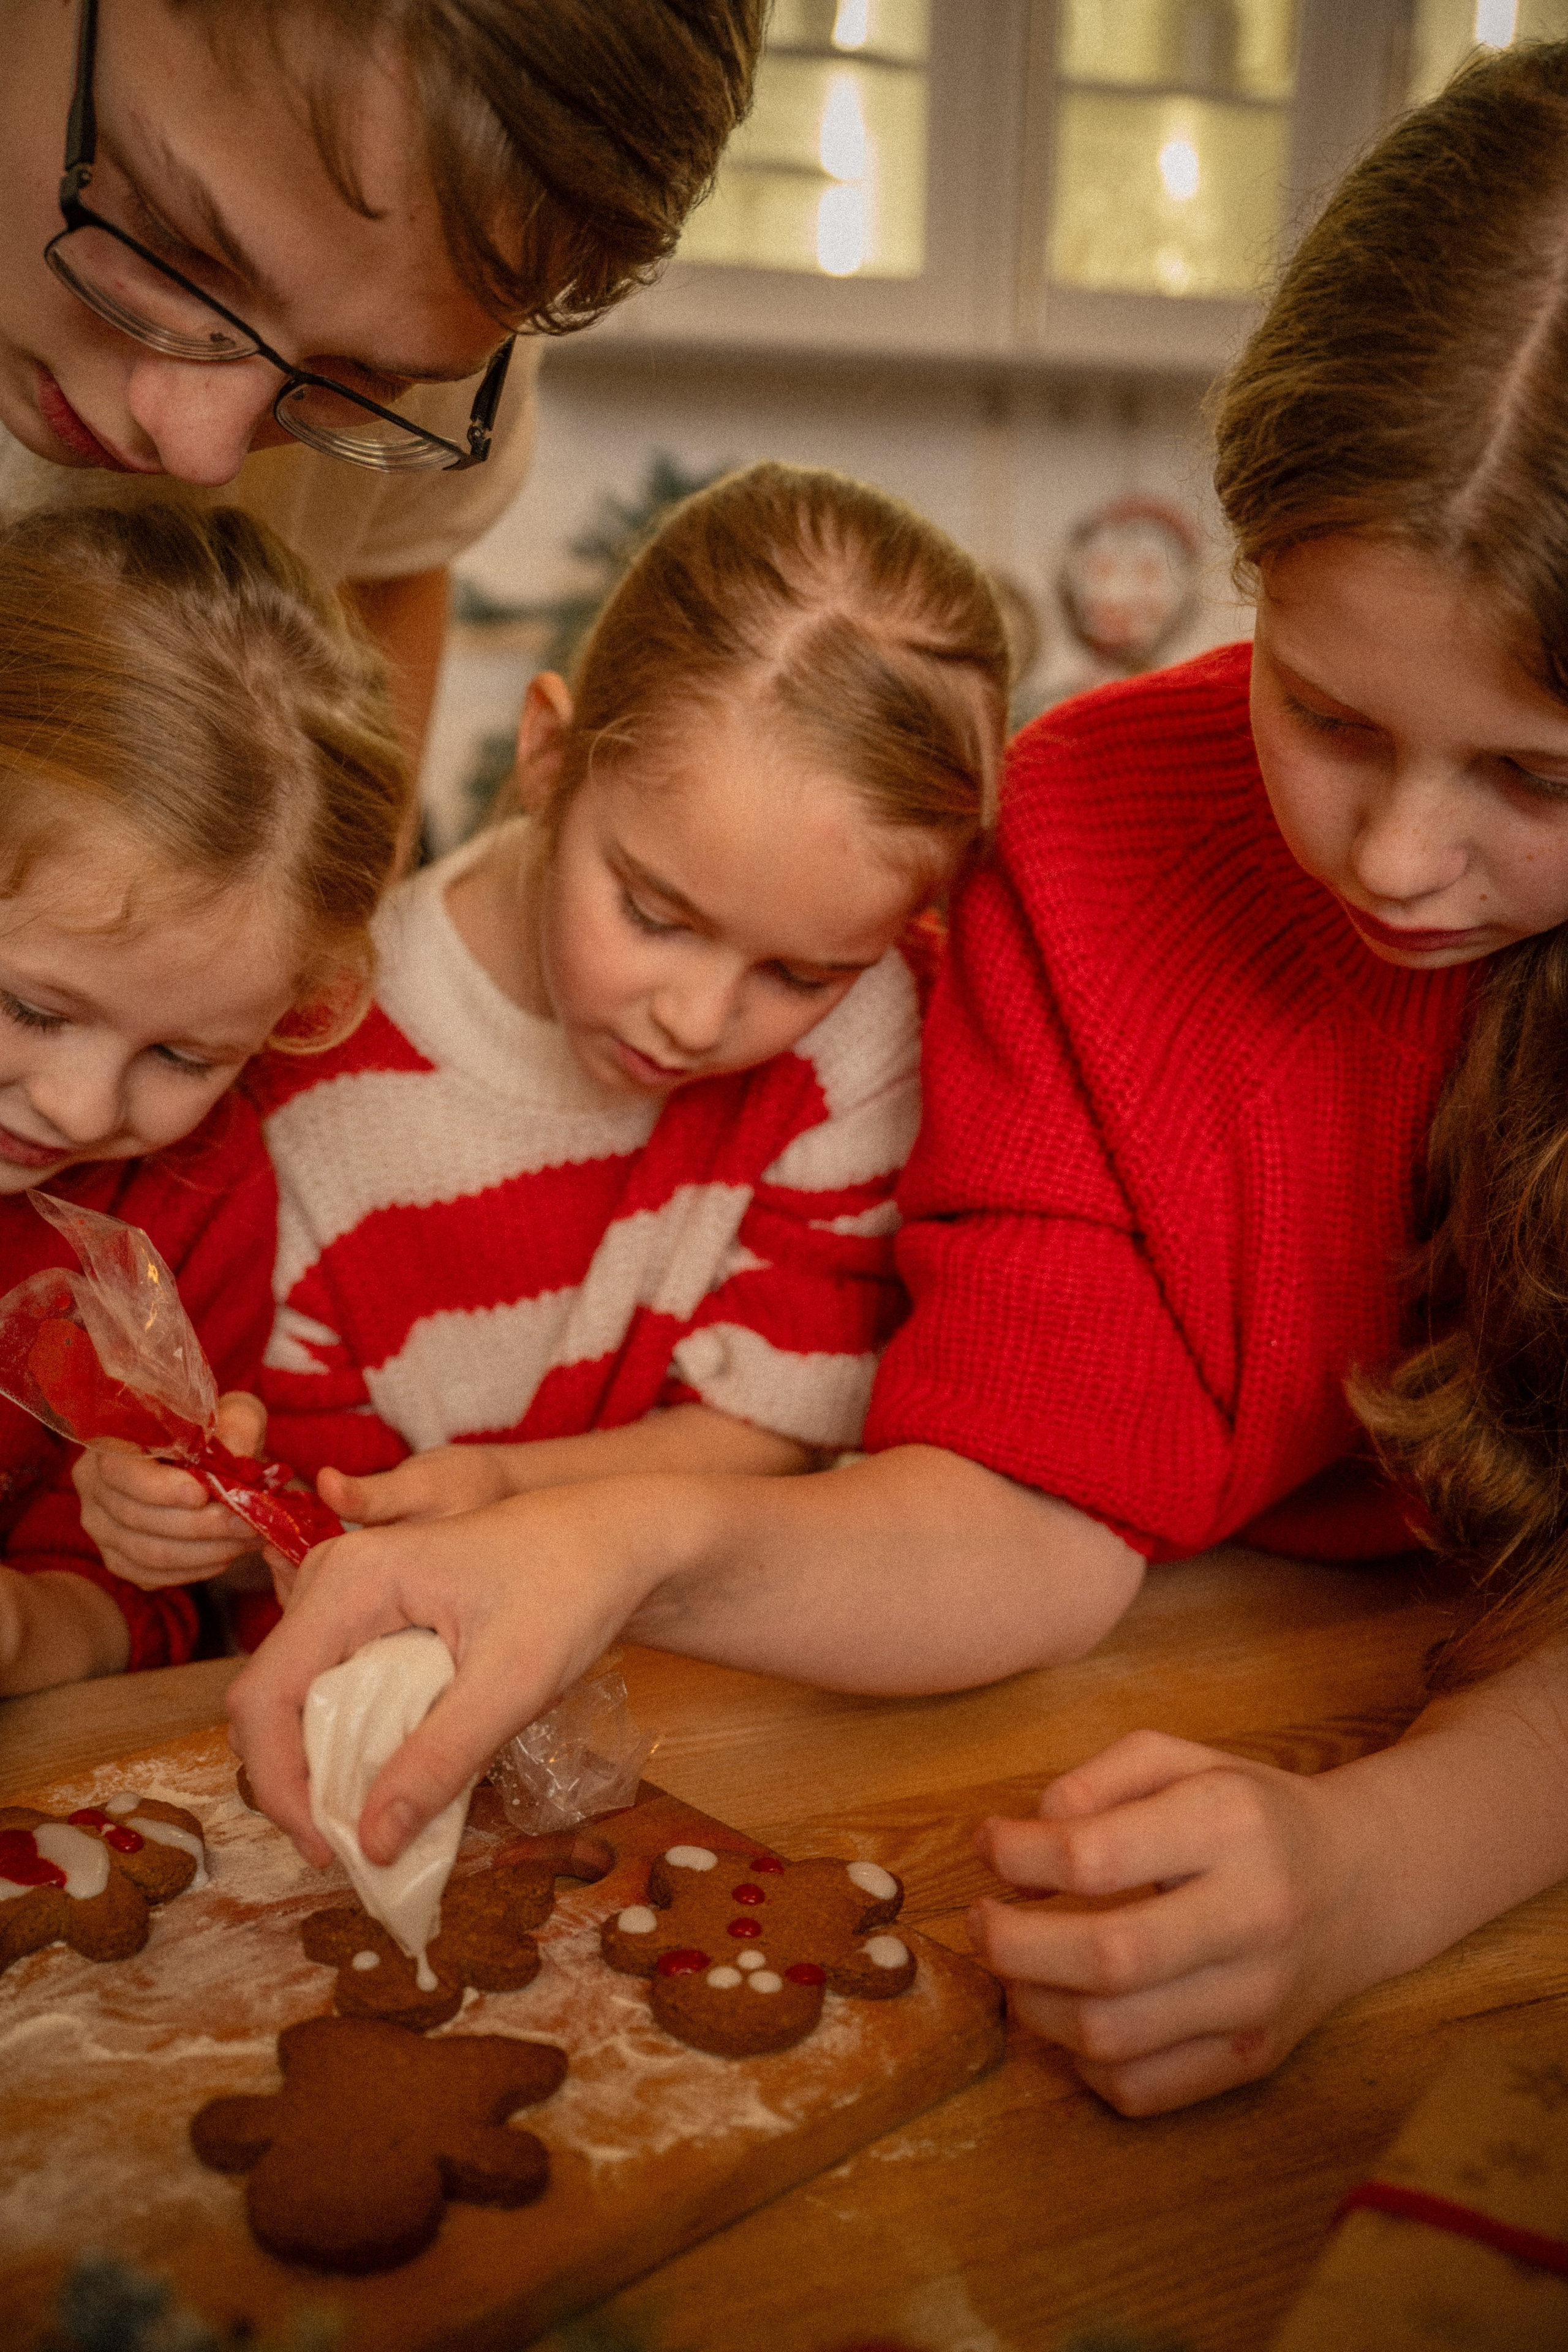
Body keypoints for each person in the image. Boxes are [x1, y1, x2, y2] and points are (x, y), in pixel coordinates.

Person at [219, 40, 1568, 2115]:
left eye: (1532, 779)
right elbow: (1034, 1517)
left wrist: (1381, 1864)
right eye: (1325, 713)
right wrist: (633, 1545)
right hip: (1236, 1675)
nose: (1397, 858)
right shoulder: (1093, 836)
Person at [79, 462, 1009, 1655]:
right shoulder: (314, 1070)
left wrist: (512, 1493)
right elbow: (307, 1536)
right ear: (549, 756)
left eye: (797, 973)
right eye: (656, 915)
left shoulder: (865, 1032)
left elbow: (772, 1415)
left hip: (705, 1655)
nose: (694, 1017)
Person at [1, 0, 762, 768]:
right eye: (173, 241)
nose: (202, 450)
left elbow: (387, 572)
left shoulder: (438, 301)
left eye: (367, 375)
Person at [0, 497, 408, 1697]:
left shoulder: (197, 1196)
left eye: (186, 1056)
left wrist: (38, 1619)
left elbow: (123, 1605)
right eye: (31, 1007)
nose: (79, 1110)